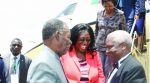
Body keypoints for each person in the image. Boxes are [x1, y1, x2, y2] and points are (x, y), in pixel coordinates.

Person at [27, 19, 72, 83]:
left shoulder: (52, 58)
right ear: (57, 36)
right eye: (68, 37)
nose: (70, 42)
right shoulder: (43, 64)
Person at [95, 0, 127, 78]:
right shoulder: (99, 13)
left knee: (108, 70)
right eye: (105, 6)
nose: (108, 8)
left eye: (110, 6)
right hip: (99, 46)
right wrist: (94, 42)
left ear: (115, 5)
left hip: (112, 47)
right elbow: (96, 30)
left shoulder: (120, 14)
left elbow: (124, 31)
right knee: (99, 68)